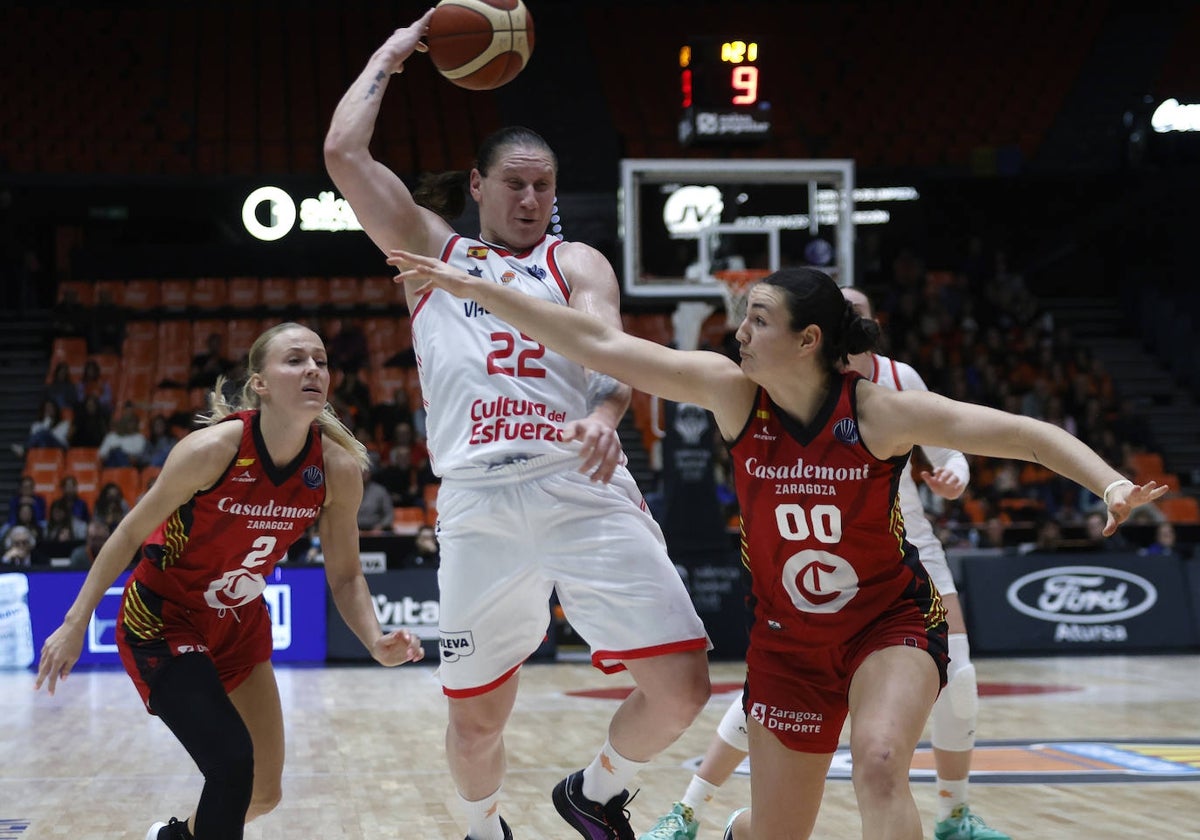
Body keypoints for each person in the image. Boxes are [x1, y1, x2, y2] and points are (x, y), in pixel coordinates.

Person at [386, 257, 1167, 840]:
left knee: (882, 761)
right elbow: (597, 342)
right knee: (775, 832)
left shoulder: (883, 414)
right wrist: (478, 290)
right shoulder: (732, 394)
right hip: (788, 645)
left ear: (809, 339)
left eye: (758, 319)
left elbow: (1022, 432)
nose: (740, 331)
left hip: (887, 625)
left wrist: (1108, 485)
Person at [326, 15, 712, 840]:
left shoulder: (577, 265)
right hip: (478, 501)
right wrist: (392, 56)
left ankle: (597, 792)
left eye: (545, 186)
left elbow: (613, 362)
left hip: (581, 484)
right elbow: (343, 158)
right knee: (478, 718)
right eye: (516, 185)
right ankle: (481, 830)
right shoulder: (431, 253)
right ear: (478, 184)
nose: (533, 200)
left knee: (682, 686)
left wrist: (608, 414)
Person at [635, 287, 1010, 840]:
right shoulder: (766, 387)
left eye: (858, 313)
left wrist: (957, 472)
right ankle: (694, 807)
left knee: (951, 683)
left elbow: (956, 439)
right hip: (807, 558)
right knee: (764, 705)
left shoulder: (896, 381)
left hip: (900, 549)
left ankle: (955, 814)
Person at [34, 322, 426, 840]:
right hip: (163, 618)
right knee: (233, 765)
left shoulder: (336, 468)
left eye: (321, 360)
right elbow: (129, 531)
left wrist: (375, 640)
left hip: (238, 623)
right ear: (259, 383)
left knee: (263, 793)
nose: (313, 368)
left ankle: (173, 838)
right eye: (295, 360)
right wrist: (74, 621)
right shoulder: (212, 449)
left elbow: (348, 574)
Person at [357, 466, 395, 533]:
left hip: (376, 529)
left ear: (370, 473)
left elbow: (389, 514)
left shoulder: (380, 491)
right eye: (361, 471)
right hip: (355, 529)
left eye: (366, 471)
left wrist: (381, 526)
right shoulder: (349, 491)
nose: (363, 474)